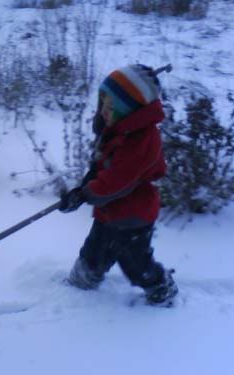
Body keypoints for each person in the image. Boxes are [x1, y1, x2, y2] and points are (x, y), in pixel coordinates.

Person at [59, 63, 178, 306]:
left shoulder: (143, 140)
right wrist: (80, 191)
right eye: (103, 103)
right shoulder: (118, 130)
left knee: (134, 263)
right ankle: (82, 281)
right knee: (95, 248)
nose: (104, 110)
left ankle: (161, 286)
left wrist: (87, 193)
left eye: (112, 106)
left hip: (134, 214)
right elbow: (101, 167)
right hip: (110, 210)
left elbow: (118, 180)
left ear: (130, 111)